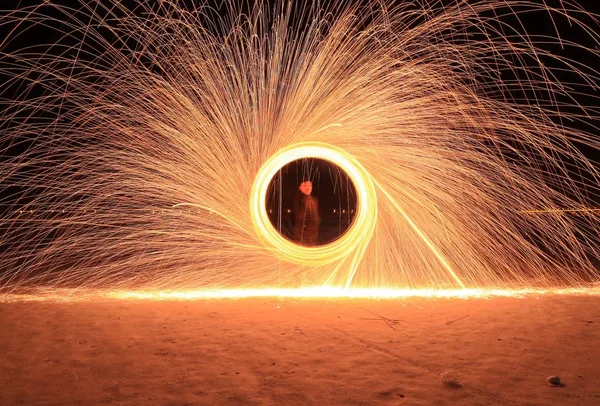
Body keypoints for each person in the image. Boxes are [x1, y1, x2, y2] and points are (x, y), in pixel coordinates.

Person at [293, 180, 320, 246]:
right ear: (300, 187)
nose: (308, 187)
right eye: (305, 185)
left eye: (309, 185)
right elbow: (299, 216)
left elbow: (316, 217)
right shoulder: (298, 200)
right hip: (302, 235)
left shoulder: (314, 200)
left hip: (313, 236)